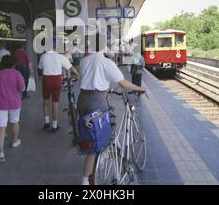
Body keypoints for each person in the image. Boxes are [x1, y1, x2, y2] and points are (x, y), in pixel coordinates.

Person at [77, 36, 146, 185]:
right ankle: (104, 162)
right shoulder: (106, 62)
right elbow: (124, 84)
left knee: (91, 139)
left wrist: (104, 88)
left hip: (82, 100)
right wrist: (140, 88)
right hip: (97, 102)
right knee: (104, 136)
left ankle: (84, 180)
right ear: (103, 46)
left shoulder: (84, 61)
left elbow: (89, 79)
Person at [38, 42, 79, 132]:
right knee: (55, 103)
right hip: (57, 80)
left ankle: (46, 122)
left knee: (46, 101)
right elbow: (70, 67)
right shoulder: (60, 57)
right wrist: (78, 74)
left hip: (46, 80)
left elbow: (40, 67)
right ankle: (55, 125)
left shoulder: (43, 56)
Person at [0, 55, 25, 163]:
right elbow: (22, 88)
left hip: (0, 104)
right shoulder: (17, 73)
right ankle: (15, 141)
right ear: (13, 64)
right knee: (15, 122)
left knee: (1, 127)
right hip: (15, 103)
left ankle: (1, 152)